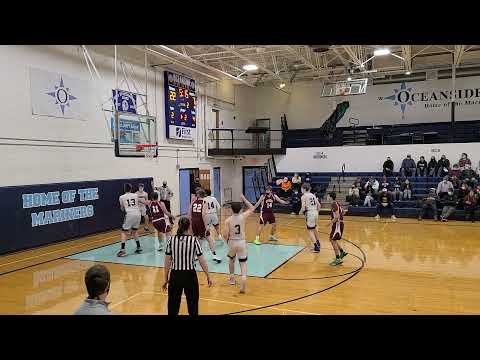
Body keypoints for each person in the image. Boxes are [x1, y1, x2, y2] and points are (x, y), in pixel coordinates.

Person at [163, 217, 213, 316]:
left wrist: (166, 278)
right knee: (193, 305)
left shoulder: (171, 240)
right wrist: (208, 276)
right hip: (190, 276)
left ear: (179, 226)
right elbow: (202, 260)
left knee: (173, 306)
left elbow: (167, 261)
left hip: (175, 275)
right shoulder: (194, 241)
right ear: (189, 227)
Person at [224, 195, 256, 294]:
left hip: (232, 242)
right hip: (241, 242)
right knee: (243, 263)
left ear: (231, 210)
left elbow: (225, 235)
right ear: (241, 209)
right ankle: (243, 278)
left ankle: (232, 278)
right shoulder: (243, 216)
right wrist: (245, 199)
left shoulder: (228, 220)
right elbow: (252, 208)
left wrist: (228, 241)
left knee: (231, 260)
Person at [188, 189, 222, 263]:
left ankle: (195, 255)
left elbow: (189, 214)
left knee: (196, 239)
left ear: (198, 195)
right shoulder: (204, 202)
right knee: (209, 239)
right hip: (201, 222)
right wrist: (206, 225)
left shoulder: (193, 202)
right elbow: (203, 214)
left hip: (194, 221)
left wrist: (190, 225)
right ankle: (214, 255)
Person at [117, 183, 142, 257]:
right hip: (138, 214)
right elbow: (139, 202)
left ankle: (122, 250)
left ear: (124, 189)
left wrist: (124, 208)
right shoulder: (135, 195)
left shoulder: (121, 197)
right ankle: (139, 247)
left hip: (130, 214)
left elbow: (122, 208)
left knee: (124, 232)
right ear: (131, 189)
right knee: (134, 231)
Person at [326, 192, 348, 266]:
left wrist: (330, 222)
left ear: (331, 197)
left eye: (328, 196)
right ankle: (342, 252)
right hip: (338, 224)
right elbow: (344, 212)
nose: (327, 197)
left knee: (332, 240)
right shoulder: (336, 203)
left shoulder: (333, 204)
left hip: (337, 225)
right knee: (332, 239)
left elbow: (337, 216)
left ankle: (338, 258)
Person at [300, 183, 322, 253]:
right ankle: (318, 243)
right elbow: (319, 205)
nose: (301, 190)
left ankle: (316, 247)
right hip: (315, 212)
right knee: (315, 228)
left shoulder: (304, 196)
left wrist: (301, 213)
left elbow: (303, 208)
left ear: (304, 189)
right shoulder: (313, 195)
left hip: (310, 213)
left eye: (301, 188)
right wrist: (316, 212)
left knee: (310, 230)